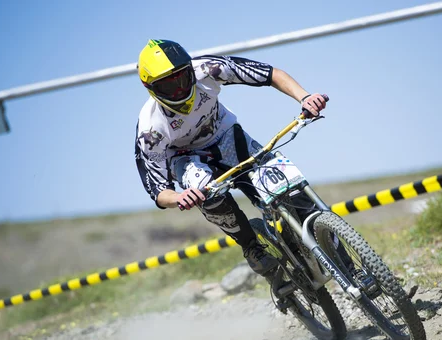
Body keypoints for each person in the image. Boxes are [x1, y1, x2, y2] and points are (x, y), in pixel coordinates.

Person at [134, 39, 326, 278]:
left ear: (190, 68)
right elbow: (158, 191)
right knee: (204, 190)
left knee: (290, 192)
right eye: (168, 87)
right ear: (150, 87)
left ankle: (346, 265)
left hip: (227, 136)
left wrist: (305, 97)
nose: (180, 91)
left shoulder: (208, 69)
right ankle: (251, 247)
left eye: (183, 78)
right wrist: (180, 197)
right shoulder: (149, 130)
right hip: (186, 159)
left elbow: (270, 74)